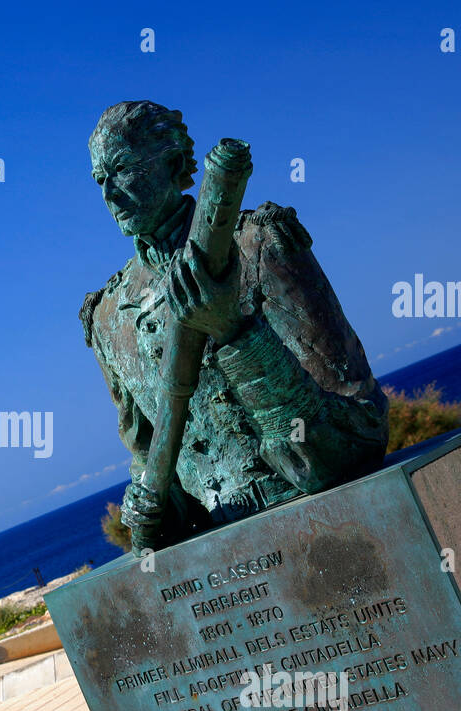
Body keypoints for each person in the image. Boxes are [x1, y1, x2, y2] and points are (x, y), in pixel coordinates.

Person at [81, 101, 389, 549]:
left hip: (326, 532)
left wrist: (238, 336)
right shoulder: (108, 318)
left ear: (170, 162)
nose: (111, 195)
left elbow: (356, 441)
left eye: (122, 169)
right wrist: (152, 507)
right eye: (99, 181)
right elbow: (152, 460)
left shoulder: (260, 243)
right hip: (223, 570)